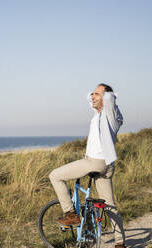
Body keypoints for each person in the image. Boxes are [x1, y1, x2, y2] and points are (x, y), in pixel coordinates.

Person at [49, 83, 126, 248]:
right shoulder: (98, 113)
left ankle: (71, 214)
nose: (93, 96)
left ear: (106, 97)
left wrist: (105, 93)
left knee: (54, 176)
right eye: (93, 94)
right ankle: (120, 243)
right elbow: (90, 99)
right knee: (109, 204)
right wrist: (95, 94)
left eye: (97, 94)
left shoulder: (110, 114)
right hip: (107, 164)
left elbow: (110, 98)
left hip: (95, 162)